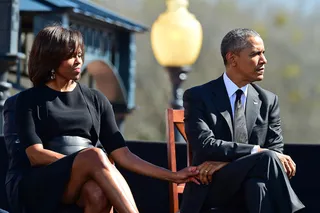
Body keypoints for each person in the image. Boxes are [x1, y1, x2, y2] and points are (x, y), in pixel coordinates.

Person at [5, 25, 199, 213]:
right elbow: (35, 155)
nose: (78, 61)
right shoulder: (27, 100)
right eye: (71, 56)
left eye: (80, 55)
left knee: (97, 193)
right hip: (39, 182)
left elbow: (124, 156)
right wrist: (83, 162)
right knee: (95, 155)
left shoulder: (96, 99)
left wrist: (173, 176)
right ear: (51, 59)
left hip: (82, 179)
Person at [180, 28, 305, 213]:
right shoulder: (198, 96)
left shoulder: (268, 101)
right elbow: (204, 145)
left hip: (250, 184)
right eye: (255, 54)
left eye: (263, 53)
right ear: (232, 59)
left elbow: (276, 151)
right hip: (212, 185)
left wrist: (229, 163)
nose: (264, 60)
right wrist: (256, 151)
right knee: (266, 158)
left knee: (258, 185)